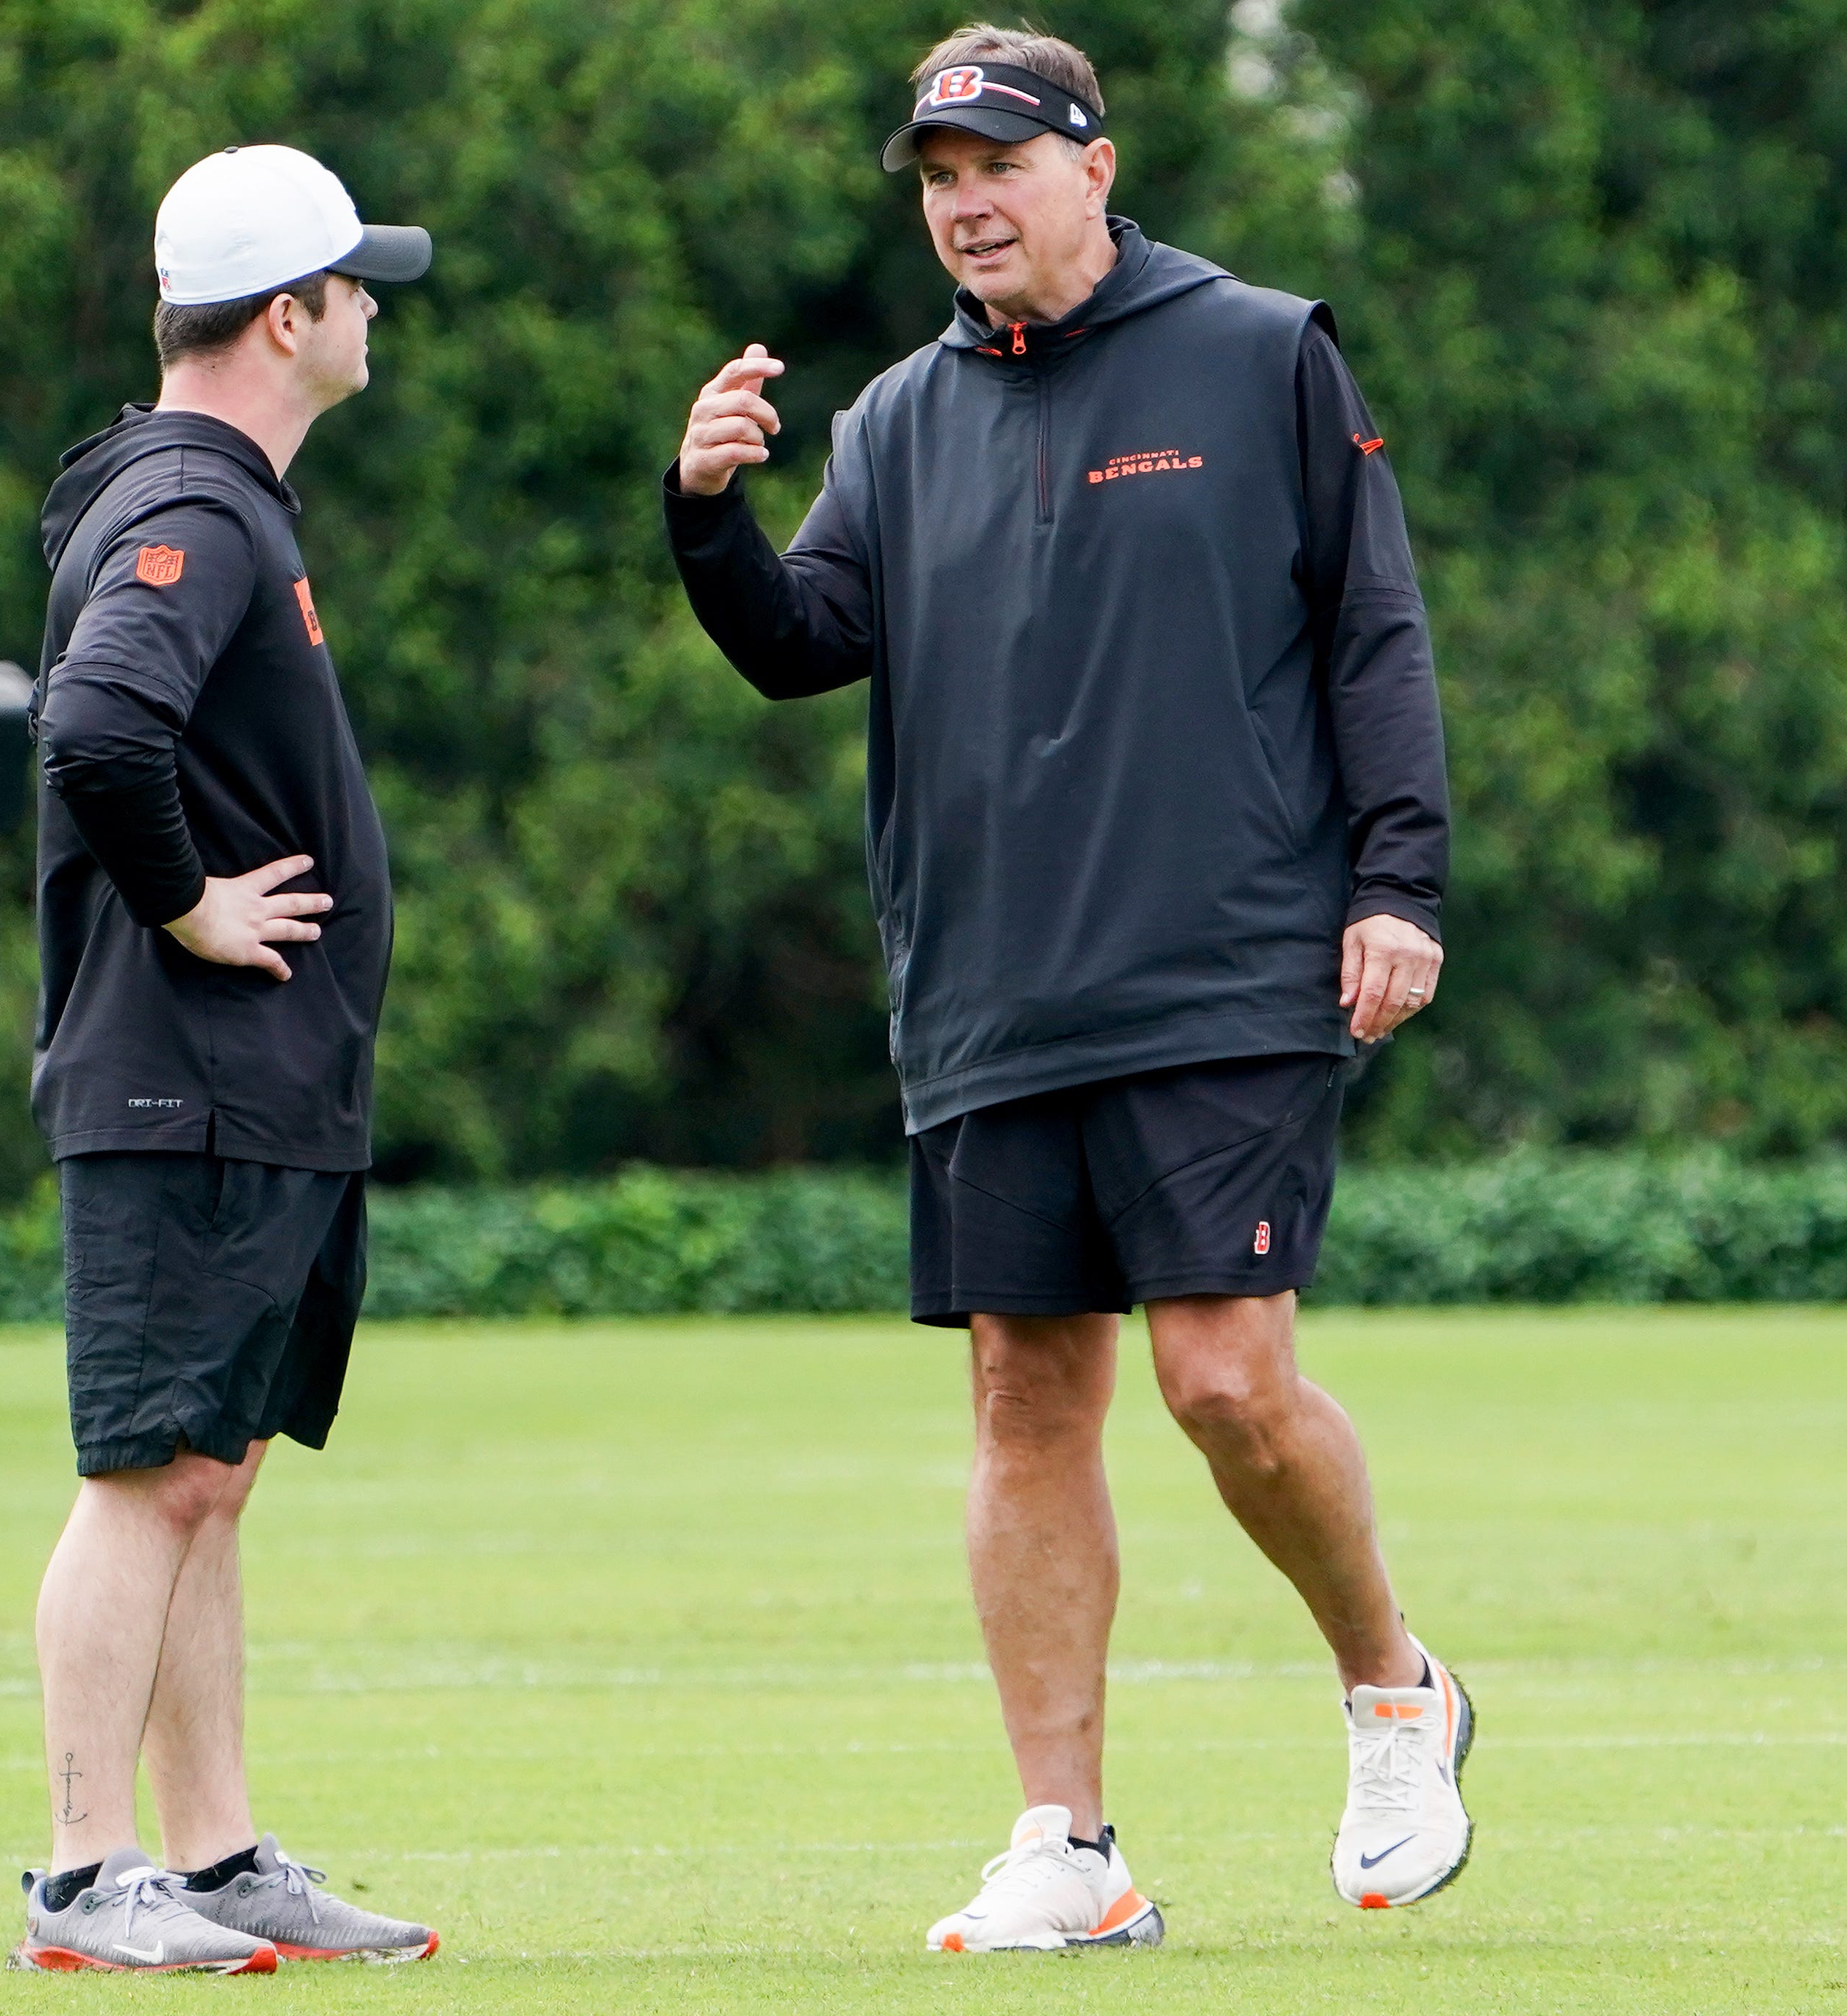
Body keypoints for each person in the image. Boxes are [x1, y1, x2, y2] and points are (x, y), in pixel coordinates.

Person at [664, 22, 1470, 1949]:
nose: (966, 207)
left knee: (1223, 1383)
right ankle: (1067, 1845)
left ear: (1094, 168)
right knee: (1029, 1404)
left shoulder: (1261, 352)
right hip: (988, 995)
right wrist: (705, 516)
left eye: (998, 169)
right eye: (939, 180)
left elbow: (1376, 634)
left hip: (1226, 970)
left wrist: (1403, 885)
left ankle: (1392, 1688)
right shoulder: (893, 426)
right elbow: (802, 645)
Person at [13, 144, 440, 1974]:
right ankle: (83, 1874)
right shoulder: (198, 503)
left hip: (242, 1088)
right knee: (149, 1472)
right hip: (181, 1075)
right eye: (356, 287)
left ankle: (213, 1855)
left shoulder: (217, 496)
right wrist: (188, 905)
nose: (370, 312)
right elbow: (100, 724)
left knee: (212, 1465)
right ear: (293, 316)